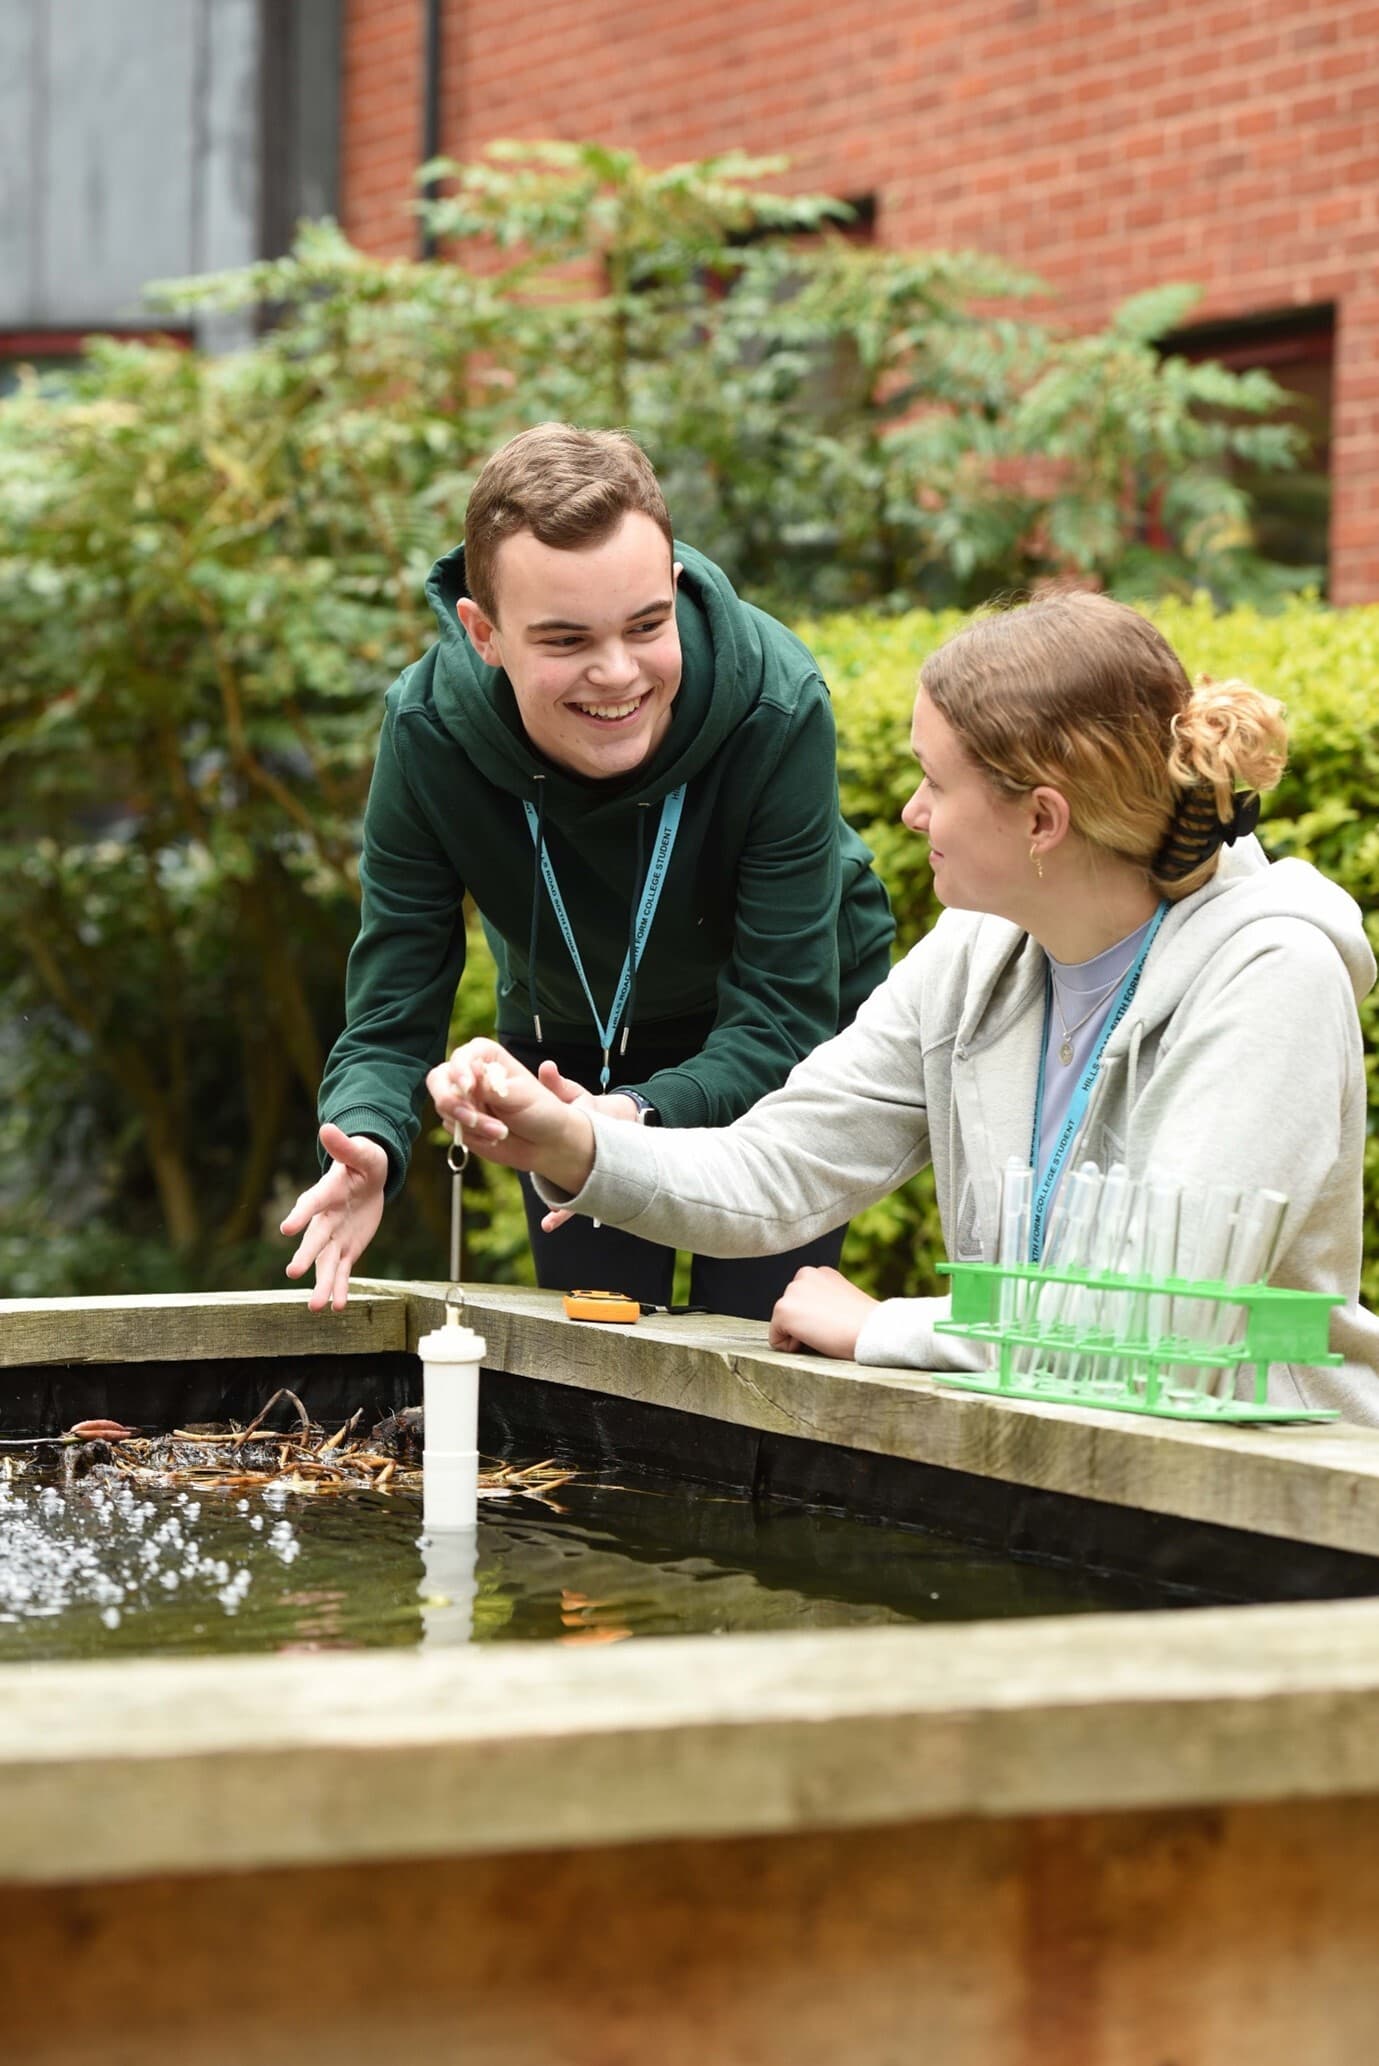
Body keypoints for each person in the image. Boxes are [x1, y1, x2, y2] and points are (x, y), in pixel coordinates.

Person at [432, 590, 1379, 1422]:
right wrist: (567, 1142)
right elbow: (781, 1166)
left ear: (1043, 820)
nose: (911, 813)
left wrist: (883, 1325)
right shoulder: (979, 952)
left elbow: (1154, 1321)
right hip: (1069, 1481)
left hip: (1278, 1518)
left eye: (935, 781)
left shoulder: (1271, 974)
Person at [281, 422, 894, 1314]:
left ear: (674, 584)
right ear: (483, 633)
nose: (617, 675)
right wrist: (370, 1136)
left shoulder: (775, 701)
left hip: (782, 1030)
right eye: (566, 641)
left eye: (647, 624)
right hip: (570, 1045)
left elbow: (778, 1015)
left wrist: (633, 1120)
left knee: (757, 1332)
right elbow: (394, 997)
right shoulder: (426, 734)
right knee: (600, 1344)